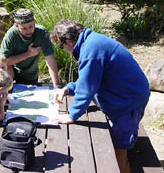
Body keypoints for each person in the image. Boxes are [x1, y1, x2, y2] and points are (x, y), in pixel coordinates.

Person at [50, 20, 150, 173]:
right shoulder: (91, 42)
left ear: (69, 41)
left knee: (118, 153)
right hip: (124, 95)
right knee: (115, 143)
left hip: (128, 103)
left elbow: (87, 89)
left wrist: (72, 115)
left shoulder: (90, 50)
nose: (62, 49)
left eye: (61, 46)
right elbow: (90, 79)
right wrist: (68, 89)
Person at [0, 8, 60, 88]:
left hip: (30, 75)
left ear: (34, 22)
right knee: (5, 69)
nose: (28, 31)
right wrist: (28, 54)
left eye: (31, 27)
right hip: (11, 74)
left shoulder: (41, 32)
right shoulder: (11, 35)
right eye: (23, 28)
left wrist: (57, 86)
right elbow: (1, 62)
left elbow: (50, 59)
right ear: (16, 26)